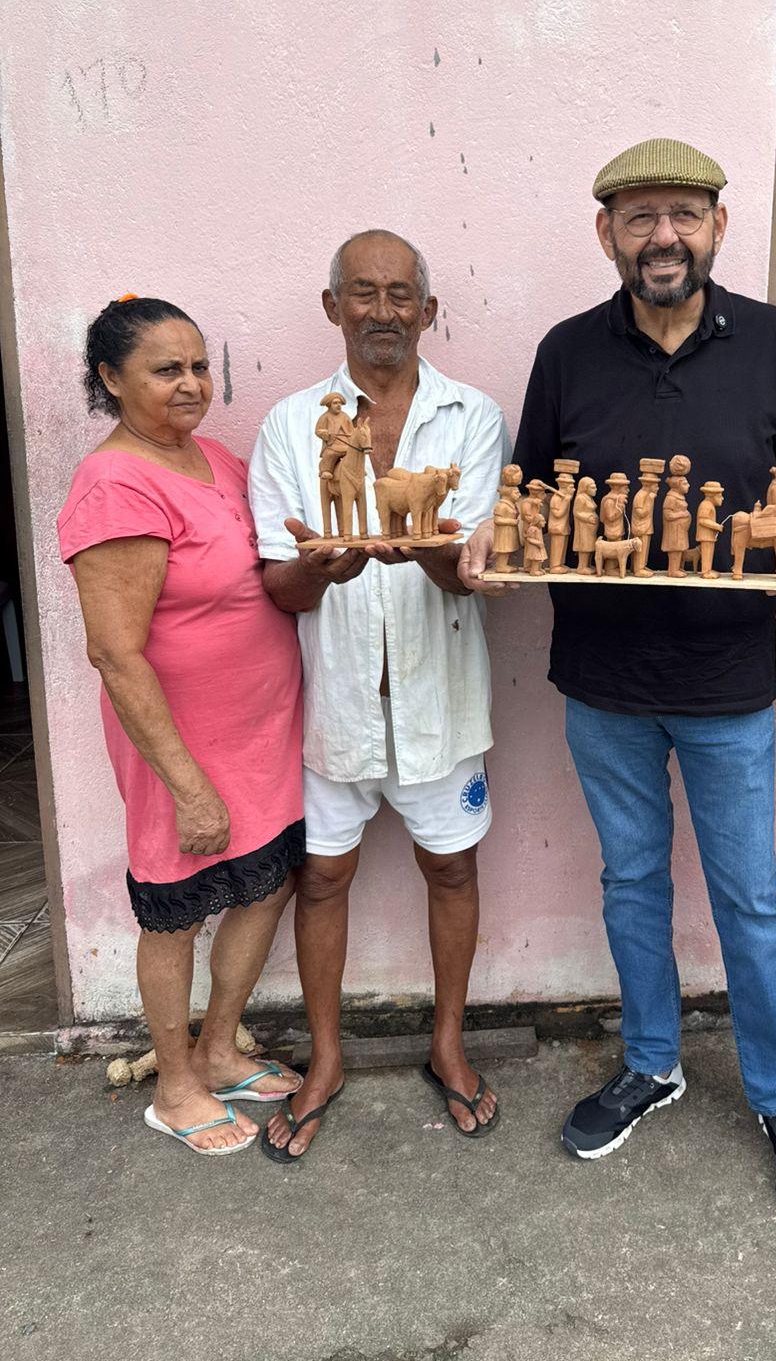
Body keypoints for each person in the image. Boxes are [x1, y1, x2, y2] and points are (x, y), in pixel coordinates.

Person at [461, 139, 776, 1221]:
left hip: (726, 676)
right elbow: (529, 493)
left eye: (682, 214)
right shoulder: (567, 350)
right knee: (631, 882)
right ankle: (651, 1060)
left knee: (750, 900)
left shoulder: (773, 341)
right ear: (607, 235)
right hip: (602, 677)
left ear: (718, 225)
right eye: (639, 218)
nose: (662, 236)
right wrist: (494, 547)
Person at [249, 229, 509, 1158]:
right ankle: (326, 1058)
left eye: (403, 294)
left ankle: (447, 1043)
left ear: (430, 312)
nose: (384, 312)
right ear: (333, 308)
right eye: (363, 293)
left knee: (452, 867)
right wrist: (333, 567)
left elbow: (470, 573)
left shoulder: (472, 417)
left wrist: (438, 555)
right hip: (336, 701)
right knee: (321, 878)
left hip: (441, 694)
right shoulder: (291, 424)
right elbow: (279, 585)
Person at [57, 297, 306, 1155]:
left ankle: (220, 1045)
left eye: (199, 366)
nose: (192, 383)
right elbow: (116, 654)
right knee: (175, 914)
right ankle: (173, 1081)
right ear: (111, 380)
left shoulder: (219, 460)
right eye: (168, 370)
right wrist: (188, 784)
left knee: (266, 885)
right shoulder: (114, 483)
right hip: (182, 752)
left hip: (261, 736)